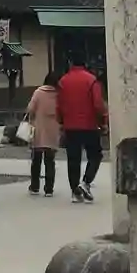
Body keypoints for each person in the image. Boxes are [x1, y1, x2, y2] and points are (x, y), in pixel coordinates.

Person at [56, 58, 107, 203]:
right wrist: (103, 122)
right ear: (85, 64)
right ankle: (86, 181)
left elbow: (59, 104)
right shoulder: (91, 80)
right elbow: (98, 104)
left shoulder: (63, 81)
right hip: (89, 125)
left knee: (73, 159)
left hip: (70, 126)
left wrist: (61, 121)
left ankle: (75, 192)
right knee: (95, 155)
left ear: (71, 63)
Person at [25, 70, 61, 196]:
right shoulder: (59, 94)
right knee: (50, 161)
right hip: (53, 130)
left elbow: (30, 109)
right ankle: (49, 189)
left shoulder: (39, 92)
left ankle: (35, 187)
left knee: (36, 160)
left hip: (39, 130)